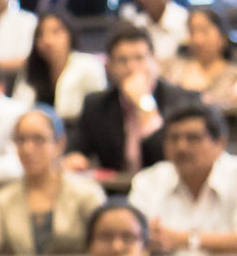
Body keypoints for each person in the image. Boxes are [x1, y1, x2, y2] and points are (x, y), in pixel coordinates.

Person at [127, 104, 237, 253]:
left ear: (219, 143)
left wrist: (183, 240)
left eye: (193, 138)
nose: (181, 147)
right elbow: (129, 238)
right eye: (174, 139)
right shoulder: (147, 181)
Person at [67, 26, 202, 174]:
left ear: (154, 61)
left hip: (165, 191)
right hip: (116, 192)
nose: (132, 68)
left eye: (139, 58)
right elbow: (75, 150)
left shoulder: (183, 102)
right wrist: (74, 159)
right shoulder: (97, 104)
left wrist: (143, 103)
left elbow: (167, 159)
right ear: (110, 67)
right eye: (123, 61)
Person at [0, 108, 106, 256]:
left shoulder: (87, 193)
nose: (27, 149)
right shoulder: (3, 199)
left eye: (38, 139)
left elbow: (106, 240)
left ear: (60, 144)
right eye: (21, 140)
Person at [16, 10, 109, 119]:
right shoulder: (30, 69)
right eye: (41, 34)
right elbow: (18, 108)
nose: (47, 40)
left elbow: (99, 111)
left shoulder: (89, 65)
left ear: (70, 34)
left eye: (55, 32)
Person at [161, 7, 237, 105]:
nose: (197, 39)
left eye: (204, 31)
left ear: (222, 37)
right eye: (192, 32)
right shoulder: (173, 68)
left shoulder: (236, 75)